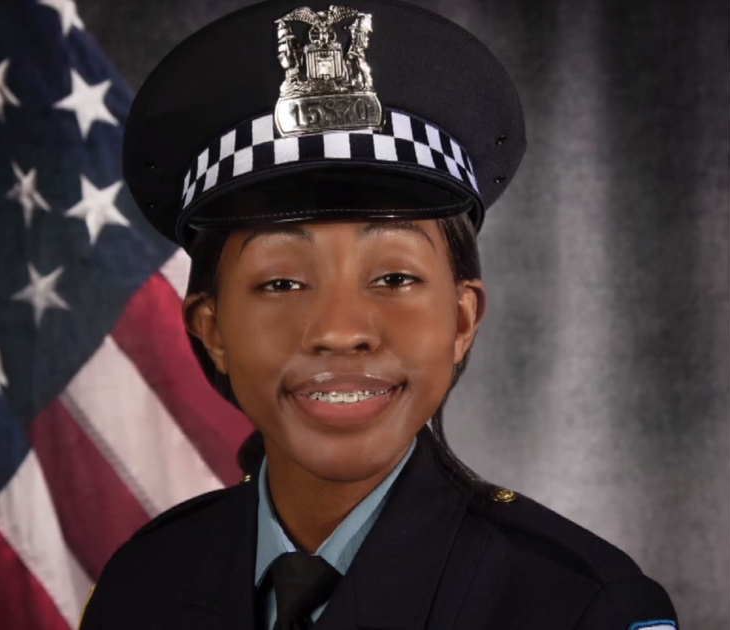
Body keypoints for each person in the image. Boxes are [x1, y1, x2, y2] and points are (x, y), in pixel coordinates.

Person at [80, 1, 678, 628]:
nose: (340, 331)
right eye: (282, 281)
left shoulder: (580, 607)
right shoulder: (140, 588)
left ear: (461, 320)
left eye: (394, 278)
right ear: (212, 330)